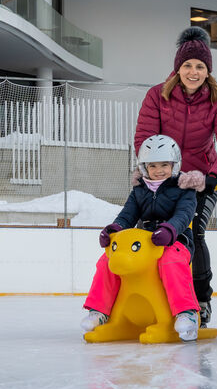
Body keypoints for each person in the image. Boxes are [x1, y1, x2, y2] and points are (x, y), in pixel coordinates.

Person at [134, 27, 217, 327]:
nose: (193, 72)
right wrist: (155, 172)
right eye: (187, 65)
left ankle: (201, 300)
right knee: (151, 233)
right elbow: (144, 137)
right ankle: (150, 297)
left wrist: (214, 176)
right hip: (164, 178)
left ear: (208, 70)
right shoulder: (158, 95)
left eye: (200, 66)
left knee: (193, 235)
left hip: (201, 180)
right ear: (177, 67)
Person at [81, 135, 206, 340]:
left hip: (177, 240)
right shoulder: (140, 189)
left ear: (174, 164)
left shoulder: (185, 188)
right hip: (145, 243)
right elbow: (128, 215)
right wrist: (114, 230)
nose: (159, 170)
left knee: (170, 260)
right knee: (108, 260)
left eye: (165, 164)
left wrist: (170, 230)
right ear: (144, 166)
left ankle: (186, 312)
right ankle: (99, 311)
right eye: (153, 165)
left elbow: (183, 215)